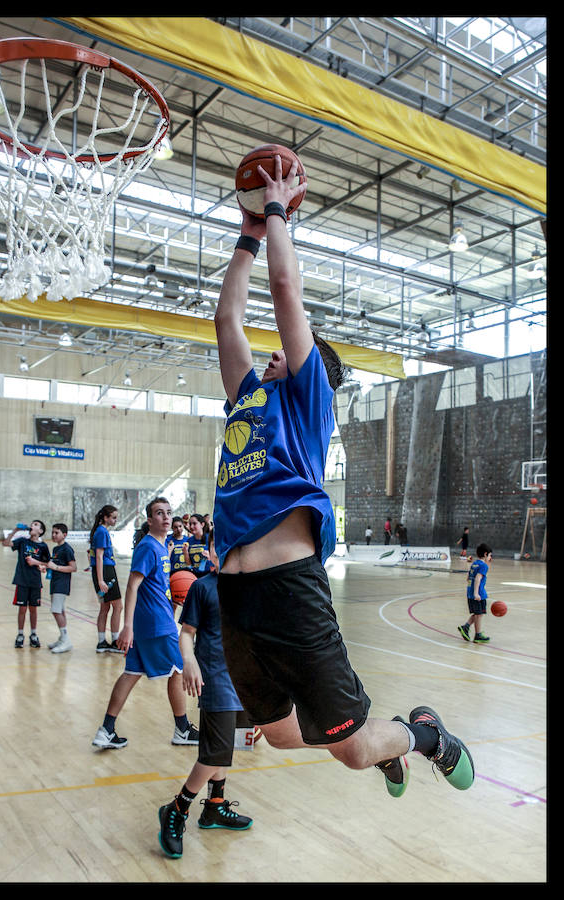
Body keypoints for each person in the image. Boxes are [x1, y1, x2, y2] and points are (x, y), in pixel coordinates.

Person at [212, 153, 474, 801]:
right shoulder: (246, 398)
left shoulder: (307, 401)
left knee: (353, 750)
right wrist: (243, 237)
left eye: (289, 350)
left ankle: (423, 738)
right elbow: (226, 318)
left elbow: (283, 292)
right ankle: (383, 733)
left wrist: (274, 210)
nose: (274, 352)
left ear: (312, 375)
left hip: (288, 591)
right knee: (275, 734)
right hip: (236, 596)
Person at [158, 531, 253, 859]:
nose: (225, 550)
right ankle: (177, 809)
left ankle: (214, 806)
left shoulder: (251, 588)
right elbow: (187, 635)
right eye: (218, 544)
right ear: (209, 552)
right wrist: (189, 662)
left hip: (244, 683)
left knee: (229, 748)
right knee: (213, 753)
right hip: (214, 679)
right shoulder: (202, 588)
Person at [92, 496, 199, 750]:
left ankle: (106, 729)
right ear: (149, 520)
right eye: (159, 513)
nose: (165, 517)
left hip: (150, 623)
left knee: (130, 673)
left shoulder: (163, 547)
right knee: (179, 669)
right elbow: (132, 585)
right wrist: (126, 626)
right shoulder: (148, 547)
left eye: (168, 512)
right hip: (156, 624)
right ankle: (182, 729)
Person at [3, 520, 50, 648]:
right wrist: (15, 531)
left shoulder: (43, 546)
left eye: (35, 524)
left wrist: (39, 565)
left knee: (33, 609)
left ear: (40, 531)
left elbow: (47, 563)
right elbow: (6, 543)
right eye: (32, 524)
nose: (32, 525)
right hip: (22, 580)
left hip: (35, 581)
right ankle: (20, 634)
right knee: (22, 609)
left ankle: (33, 634)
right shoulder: (23, 541)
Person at [89, 505, 124, 654]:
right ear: (105, 517)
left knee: (105, 608)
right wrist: (101, 580)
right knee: (118, 606)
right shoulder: (102, 532)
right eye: (114, 517)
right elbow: (98, 556)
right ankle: (115, 642)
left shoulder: (98, 531)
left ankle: (102, 642)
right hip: (106, 572)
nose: (115, 520)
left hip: (101, 572)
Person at [46, 523, 77, 654]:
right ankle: (62, 638)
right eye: (52, 532)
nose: (53, 535)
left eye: (56, 533)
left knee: (55, 610)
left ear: (64, 535)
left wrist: (57, 568)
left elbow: (73, 567)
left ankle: (66, 640)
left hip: (62, 584)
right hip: (54, 582)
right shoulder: (55, 549)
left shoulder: (67, 549)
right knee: (60, 610)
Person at [458, 543, 492, 644]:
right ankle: (478, 635)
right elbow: (478, 578)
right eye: (490, 555)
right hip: (478, 594)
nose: (490, 558)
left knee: (478, 613)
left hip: (470, 592)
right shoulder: (483, 566)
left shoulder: (474, 564)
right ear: (485, 554)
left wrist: (472, 591)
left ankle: (466, 627)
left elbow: (468, 578)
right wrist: (476, 593)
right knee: (479, 614)